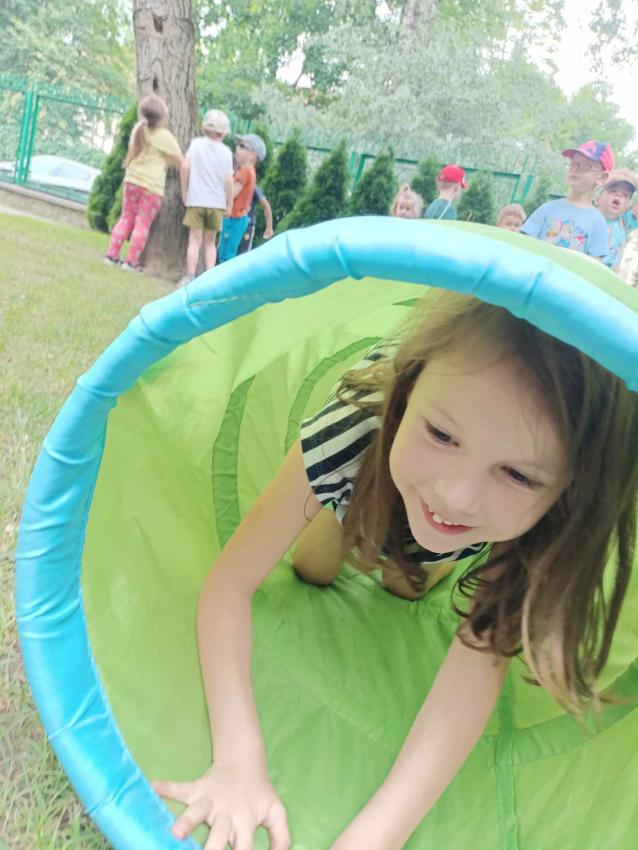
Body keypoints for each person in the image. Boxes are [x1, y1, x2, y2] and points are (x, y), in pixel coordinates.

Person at [153, 288, 638, 850]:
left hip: (446, 531)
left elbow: (476, 666)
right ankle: (358, 521)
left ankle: (412, 558)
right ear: (408, 390)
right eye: (441, 434)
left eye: (519, 475)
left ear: (567, 488)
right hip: (369, 477)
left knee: (406, 582)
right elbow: (230, 585)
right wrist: (239, 760)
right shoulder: (354, 424)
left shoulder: (547, 521)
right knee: (314, 566)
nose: (456, 494)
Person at [104, 95, 183, 272]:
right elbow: (180, 162)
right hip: (151, 187)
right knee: (142, 223)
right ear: (162, 117)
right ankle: (131, 262)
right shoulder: (165, 137)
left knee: (125, 218)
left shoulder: (138, 130)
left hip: (131, 180)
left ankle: (111, 255)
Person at [521, 141, 612, 260]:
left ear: (602, 177)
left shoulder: (598, 222)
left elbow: (594, 264)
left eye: (586, 165)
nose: (575, 169)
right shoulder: (548, 208)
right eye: (573, 163)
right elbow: (523, 244)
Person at [178, 109, 234, 287]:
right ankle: (209, 281)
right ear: (224, 133)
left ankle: (190, 276)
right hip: (216, 203)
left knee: (194, 240)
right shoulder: (226, 152)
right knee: (210, 242)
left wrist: (185, 192)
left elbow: (185, 167)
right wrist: (229, 203)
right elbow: (229, 180)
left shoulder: (196, 144)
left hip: (196, 200)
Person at [218, 133, 266, 263]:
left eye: (242, 146)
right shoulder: (250, 172)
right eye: (237, 145)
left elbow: (232, 194)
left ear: (252, 155)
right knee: (228, 251)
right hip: (239, 218)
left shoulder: (244, 172)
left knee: (225, 254)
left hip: (234, 218)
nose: (237, 148)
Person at [595, 168, 638, 272]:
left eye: (625, 195)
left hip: (607, 276)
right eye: (613, 190)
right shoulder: (589, 216)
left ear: (627, 205)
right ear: (598, 197)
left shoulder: (625, 222)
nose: (618, 195)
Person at [236, 185, 275, 255]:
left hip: (247, 226)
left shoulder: (252, 187)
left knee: (243, 253)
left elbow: (266, 205)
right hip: (232, 224)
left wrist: (269, 227)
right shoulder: (232, 184)